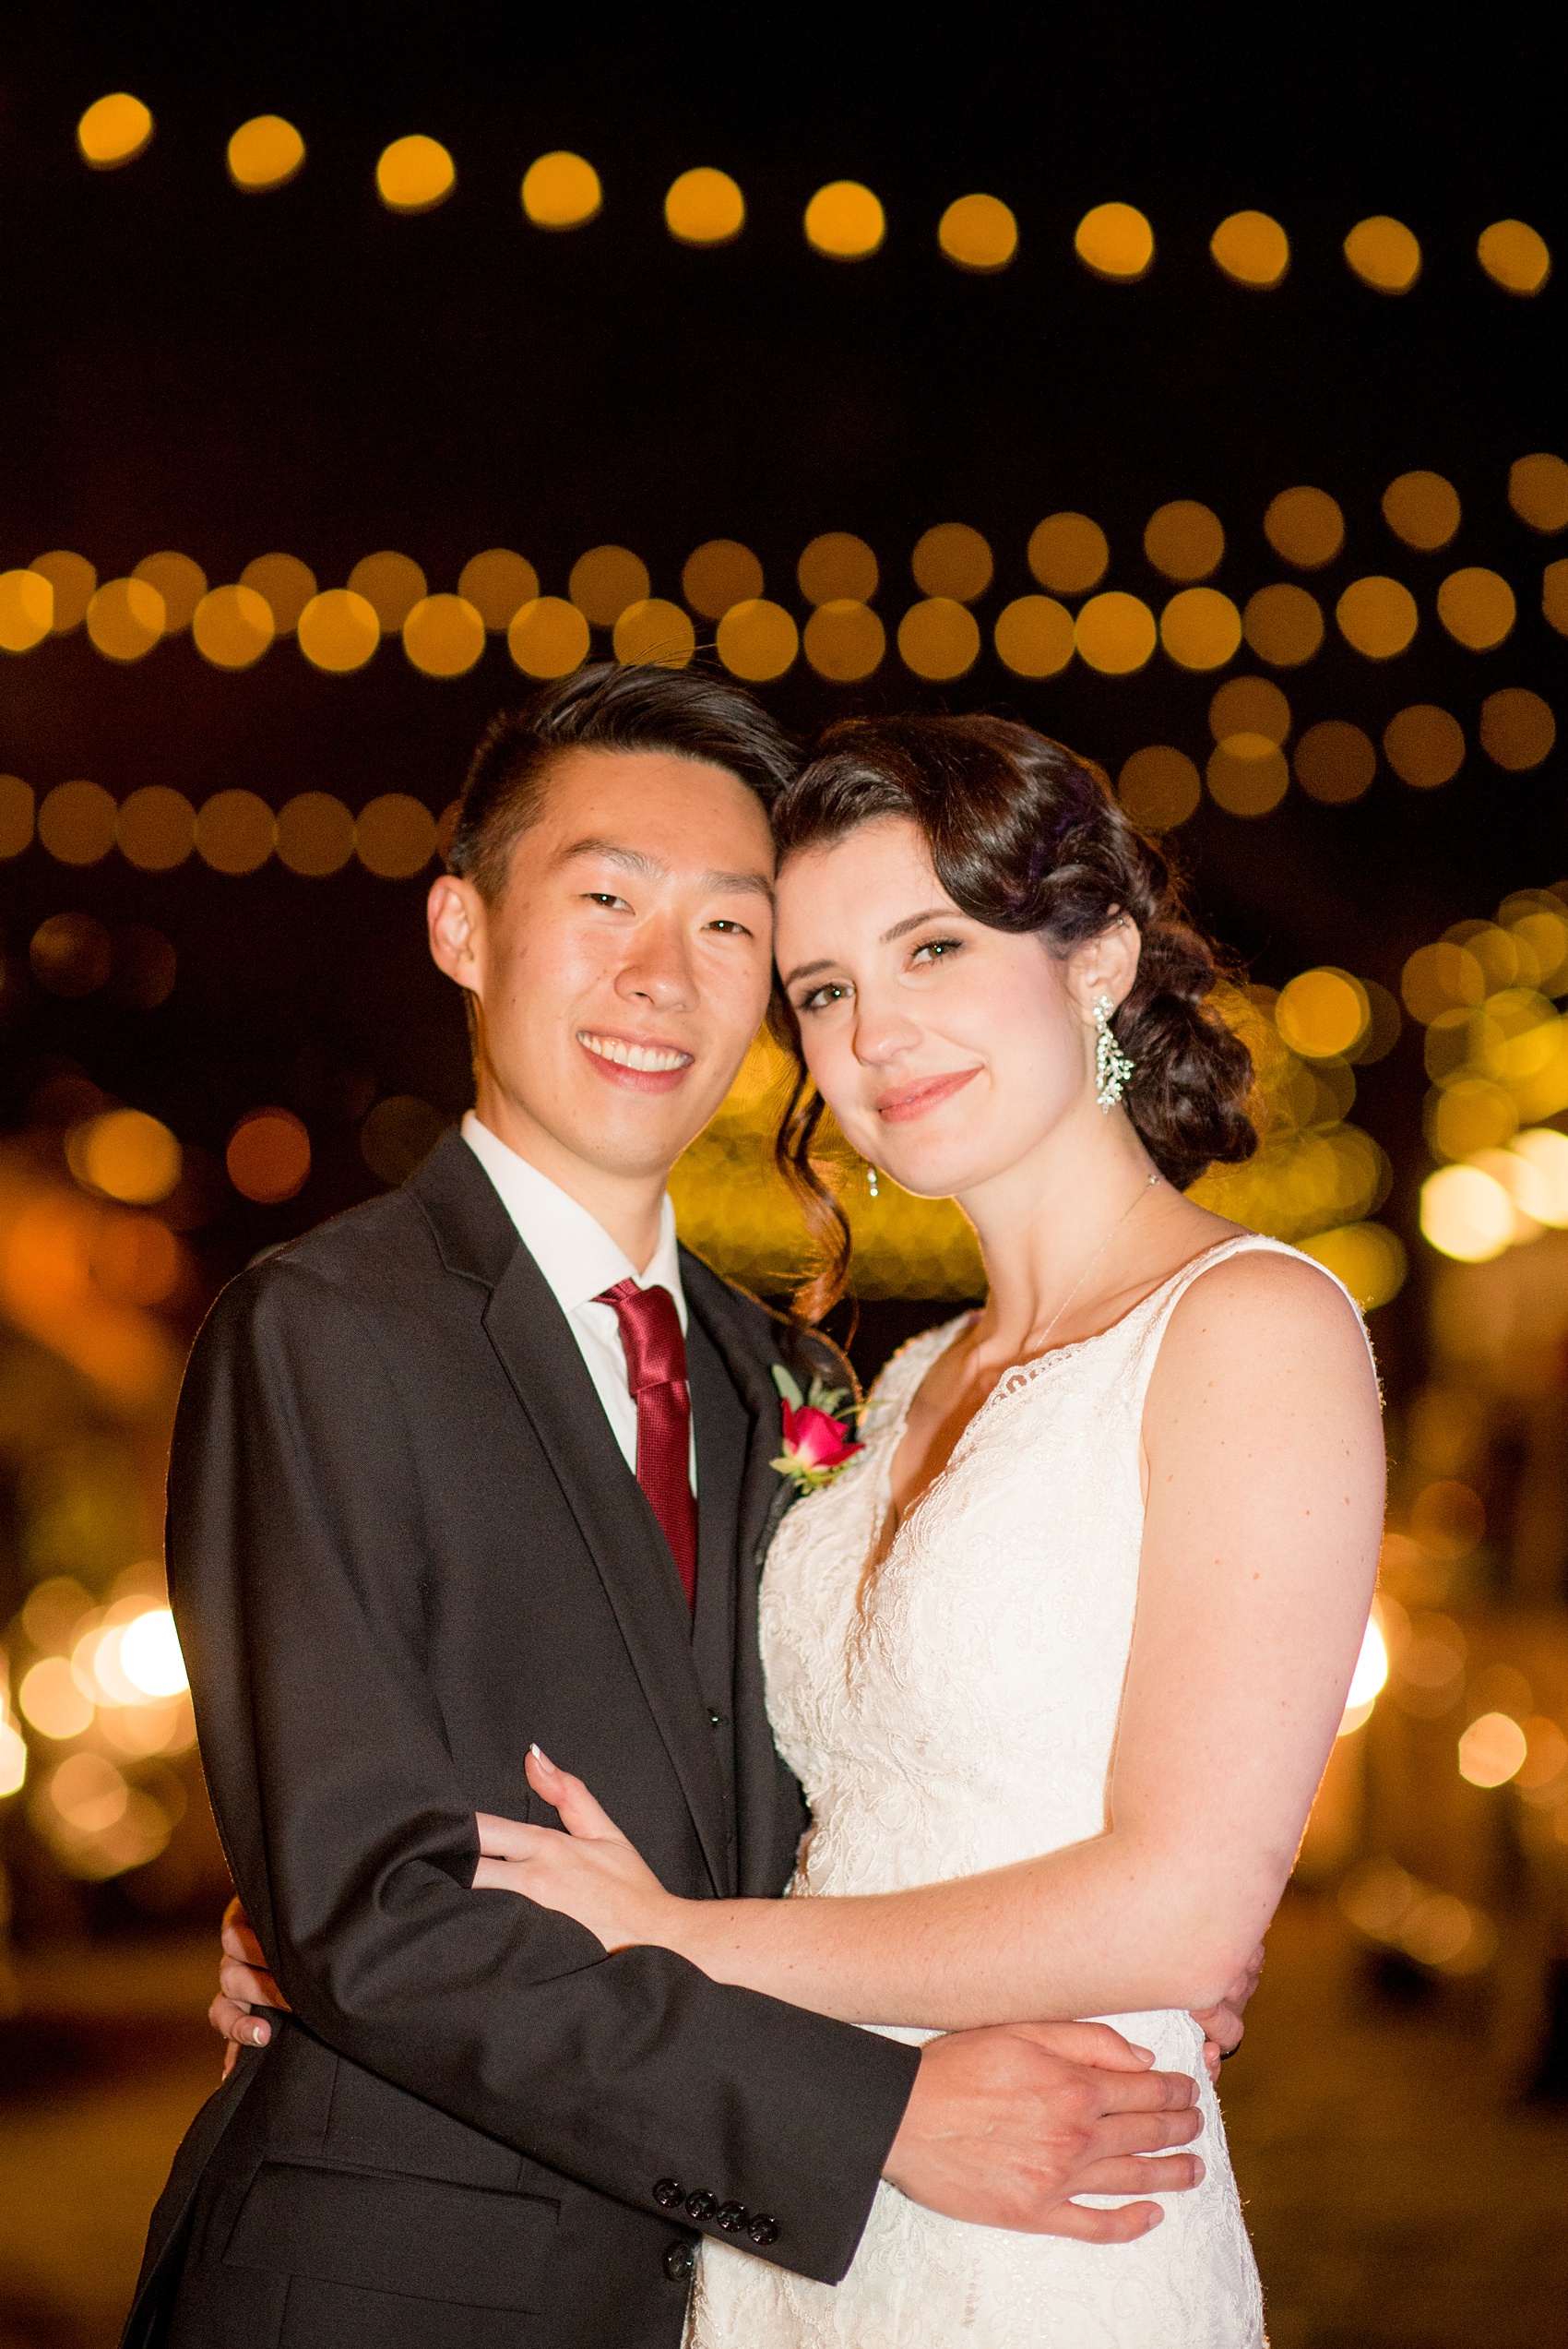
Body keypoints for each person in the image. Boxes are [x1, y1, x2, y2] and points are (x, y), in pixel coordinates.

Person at [130, 672, 1228, 2349]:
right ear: (460, 926)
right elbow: (374, 1914)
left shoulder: (795, 1378)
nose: (661, 975)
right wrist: (870, 2117)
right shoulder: (323, 1331)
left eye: (730, 929)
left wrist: (1127, 1947)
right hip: (404, 2278)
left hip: (749, 2297)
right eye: (602, 898)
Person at [435, 713, 1387, 2346]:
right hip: (816, 2203)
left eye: (932, 946)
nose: (878, 1033)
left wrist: (673, 1946)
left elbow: (1178, 1912)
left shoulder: (1251, 1323)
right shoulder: (898, 1384)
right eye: (822, 991)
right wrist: (345, 1904)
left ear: (1094, 954)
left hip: (1056, 2211)